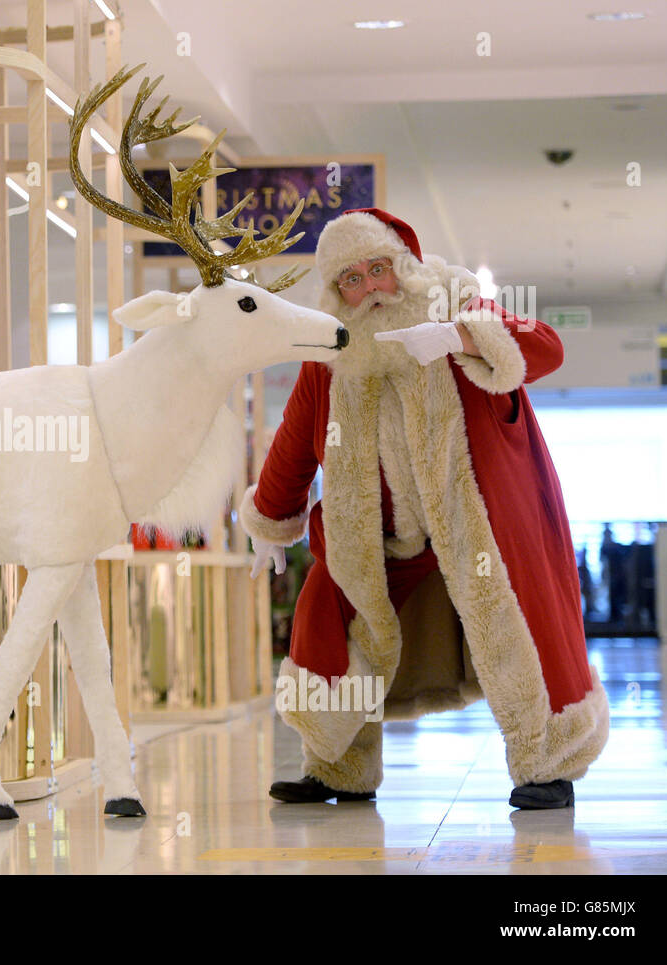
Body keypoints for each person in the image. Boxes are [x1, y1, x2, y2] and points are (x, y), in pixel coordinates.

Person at [239, 208, 608, 809]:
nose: (368, 289)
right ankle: (338, 770)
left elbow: (547, 349)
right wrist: (270, 521)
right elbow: (294, 435)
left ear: (403, 266)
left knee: (519, 627)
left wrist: (462, 338)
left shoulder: (455, 303)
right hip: (382, 539)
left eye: (377, 269)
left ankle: (548, 765)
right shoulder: (331, 352)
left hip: (480, 525)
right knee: (334, 621)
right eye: (351, 280)